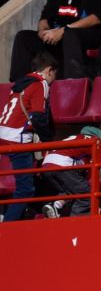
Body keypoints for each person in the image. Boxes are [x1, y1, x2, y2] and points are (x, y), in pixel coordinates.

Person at [1, 52, 58, 221]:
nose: (54, 80)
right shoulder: (41, 84)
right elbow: (39, 117)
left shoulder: (20, 83)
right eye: (55, 74)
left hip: (3, 133)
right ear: (49, 70)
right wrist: (48, 142)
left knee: (27, 181)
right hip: (17, 138)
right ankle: (8, 225)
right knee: (25, 189)